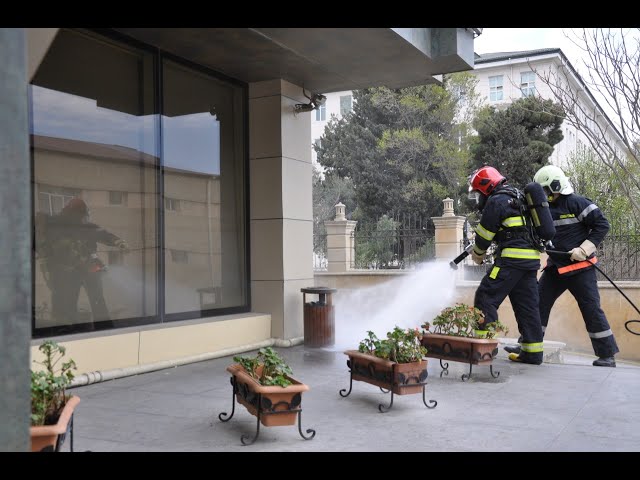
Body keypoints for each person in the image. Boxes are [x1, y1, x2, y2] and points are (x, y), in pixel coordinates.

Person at [504, 165, 619, 367]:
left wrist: (584, 249)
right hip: (555, 268)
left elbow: (602, 225)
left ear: (556, 186)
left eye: (545, 190)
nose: (543, 194)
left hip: (581, 268)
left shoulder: (578, 203)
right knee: (536, 305)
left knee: (591, 309)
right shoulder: (543, 210)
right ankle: (527, 346)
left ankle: (607, 355)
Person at [467, 165, 544, 365]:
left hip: (510, 261)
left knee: (485, 297)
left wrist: (478, 254)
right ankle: (533, 353)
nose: (478, 199)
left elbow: (484, 235)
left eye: (478, 193)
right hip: (530, 263)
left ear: (486, 187)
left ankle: (484, 350)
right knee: (527, 306)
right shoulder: (519, 197)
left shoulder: (497, 200)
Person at [37, 197, 129, 330]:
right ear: (79, 214)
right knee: (82, 302)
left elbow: (103, 234)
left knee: (91, 301)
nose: (85, 218)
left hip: (84, 270)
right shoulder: (61, 227)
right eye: (84, 215)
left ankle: (91, 329)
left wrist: (118, 242)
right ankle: (89, 330)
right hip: (74, 272)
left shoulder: (80, 226)